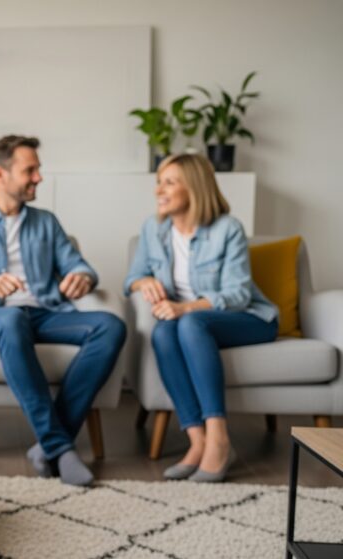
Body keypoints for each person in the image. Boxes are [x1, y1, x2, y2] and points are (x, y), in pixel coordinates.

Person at [0, 135, 126, 486]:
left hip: (45, 312)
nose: (39, 178)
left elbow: (81, 266)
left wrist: (81, 277)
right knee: (12, 319)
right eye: (30, 170)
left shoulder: (46, 222)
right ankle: (61, 447)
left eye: (38, 169)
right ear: (1, 174)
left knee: (111, 325)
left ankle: (49, 445)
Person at [125, 153, 278, 483]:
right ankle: (198, 442)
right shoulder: (154, 228)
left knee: (188, 322)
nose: (159, 191)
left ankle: (219, 439)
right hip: (189, 325)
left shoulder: (227, 229)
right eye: (158, 182)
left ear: (193, 187)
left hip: (250, 319)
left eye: (169, 182)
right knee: (163, 332)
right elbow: (132, 278)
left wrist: (184, 308)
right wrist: (144, 281)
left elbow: (237, 295)